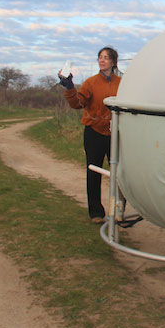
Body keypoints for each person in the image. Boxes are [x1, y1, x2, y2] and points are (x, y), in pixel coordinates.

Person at [59, 47, 121, 224]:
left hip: (115, 133)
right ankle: (96, 213)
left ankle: (118, 210)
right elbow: (77, 103)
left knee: (119, 173)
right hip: (93, 132)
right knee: (93, 171)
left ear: (113, 62)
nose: (102, 60)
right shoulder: (91, 82)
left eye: (106, 58)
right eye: (100, 58)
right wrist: (69, 87)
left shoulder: (122, 83)